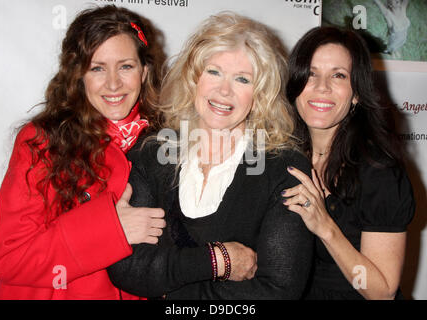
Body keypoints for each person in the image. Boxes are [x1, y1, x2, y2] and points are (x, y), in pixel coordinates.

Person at [107, 12, 314, 299]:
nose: (224, 90)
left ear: (260, 94)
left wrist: (176, 295)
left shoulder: (283, 168)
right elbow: (127, 268)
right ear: (194, 79)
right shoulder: (153, 154)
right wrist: (218, 261)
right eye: (214, 72)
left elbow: (278, 290)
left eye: (242, 79)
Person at [0, 5, 166, 300]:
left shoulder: (166, 143)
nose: (113, 83)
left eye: (126, 66)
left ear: (144, 71)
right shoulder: (42, 141)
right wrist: (112, 230)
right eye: (97, 68)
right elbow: (11, 258)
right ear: (78, 75)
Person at [283, 26, 415, 300]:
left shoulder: (379, 173)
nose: (322, 87)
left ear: (356, 94)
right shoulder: (283, 157)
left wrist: (325, 227)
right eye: (311, 73)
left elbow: (381, 292)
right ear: (295, 86)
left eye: (338, 76)